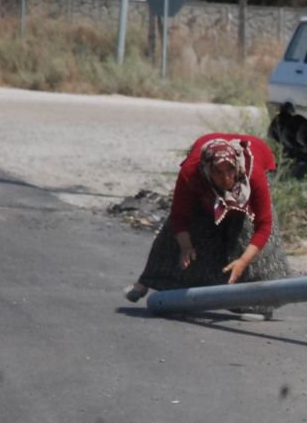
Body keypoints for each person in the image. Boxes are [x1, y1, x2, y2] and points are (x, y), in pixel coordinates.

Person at [123, 133, 291, 317]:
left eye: (230, 171)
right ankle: (148, 281)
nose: (226, 178)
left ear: (237, 167)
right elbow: (180, 216)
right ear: (206, 169)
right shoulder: (191, 173)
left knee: (247, 233)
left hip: (253, 164)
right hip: (205, 175)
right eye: (219, 172)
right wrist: (186, 247)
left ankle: (260, 305)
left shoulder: (252, 174)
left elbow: (264, 224)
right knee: (183, 233)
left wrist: (243, 261)